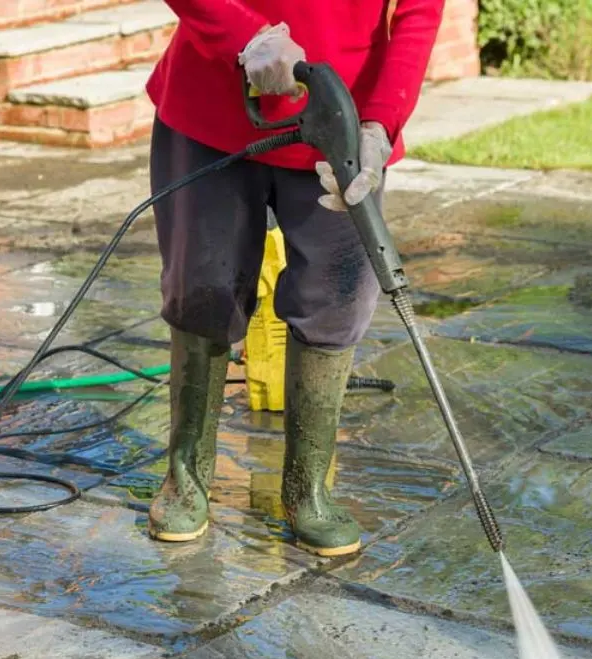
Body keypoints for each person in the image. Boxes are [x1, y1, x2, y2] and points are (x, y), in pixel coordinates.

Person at [143, 0, 443, 556]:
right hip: (215, 101)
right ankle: (186, 477)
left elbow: (420, 12)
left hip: (342, 119)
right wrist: (244, 34)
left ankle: (308, 491)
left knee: (337, 299)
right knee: (201, 290)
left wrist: (377, 123)